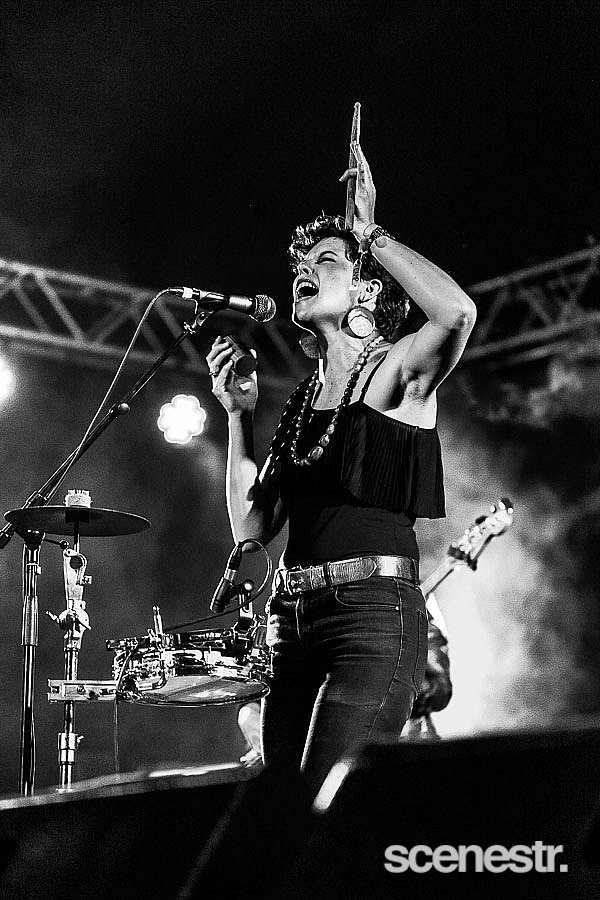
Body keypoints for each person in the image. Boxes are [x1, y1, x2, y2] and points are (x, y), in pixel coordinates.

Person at [206, 140, 476, 794]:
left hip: (372, 618)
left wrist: (369, 232)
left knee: (329, 799)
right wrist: (237, 415)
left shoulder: (397, 369)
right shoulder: (302, 403)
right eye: (301, 263)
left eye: (325, 260)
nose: (304, 268)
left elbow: (457, 313)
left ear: (365, 289)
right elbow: (251, 525)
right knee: (281, 805)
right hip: (291, 622)